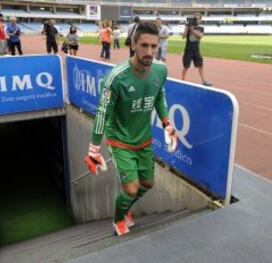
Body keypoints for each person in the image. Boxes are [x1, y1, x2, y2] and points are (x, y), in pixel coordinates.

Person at [84, 22, 178, 236]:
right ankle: (119, 219)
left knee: (148, 184)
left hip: (144, 139)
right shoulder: (116, 78)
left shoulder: (160, 70)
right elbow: (102, 113)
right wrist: (93, 149)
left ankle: (125, 207)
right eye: (144, 45)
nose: (150, 52)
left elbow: (159, 96)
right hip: (120, 141)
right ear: (133, 44)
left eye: (154, 46)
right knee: (131, 188)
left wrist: (166, 123)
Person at [181, 13, 212, 86]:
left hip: (196, 50)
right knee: (186, 67)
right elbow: (183, 37)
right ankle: (182, 81)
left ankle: (203, 80)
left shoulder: (201, 28)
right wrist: (186, 29)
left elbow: (200, 36)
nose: (196, 20)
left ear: (200, 20)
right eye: (195, 18)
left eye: (198, 18)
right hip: (188, 50)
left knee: (200, 65)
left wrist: (192, 30)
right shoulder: (188, 27)